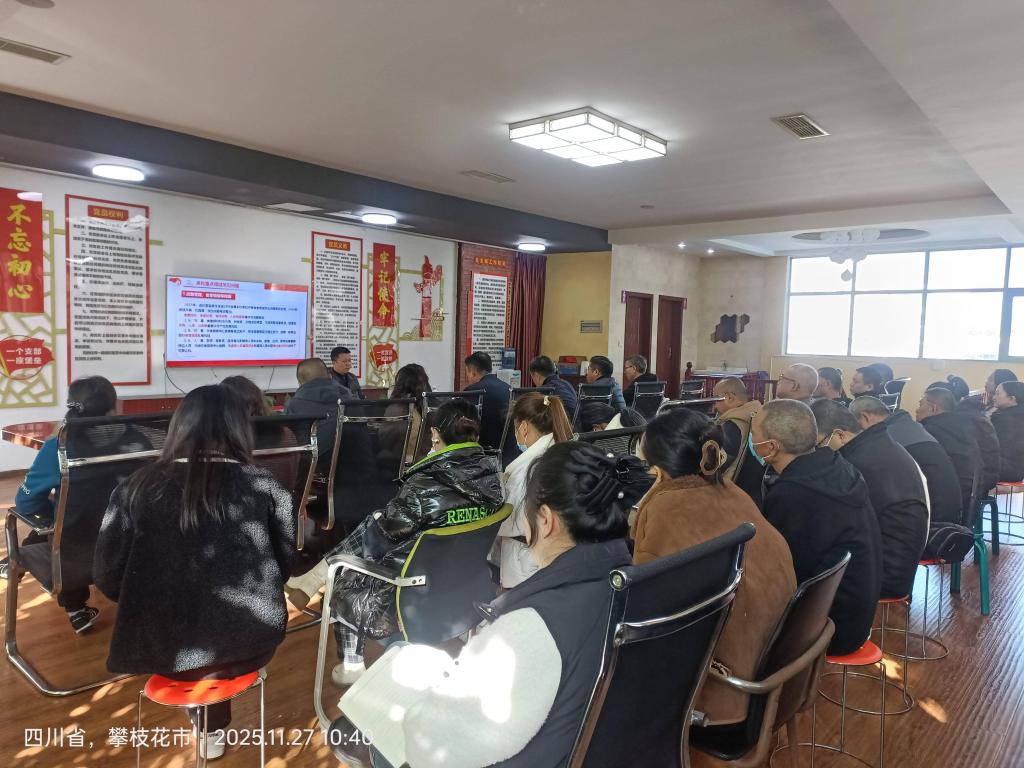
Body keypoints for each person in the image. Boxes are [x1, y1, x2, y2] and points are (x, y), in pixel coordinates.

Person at [336, 441, 651, 768]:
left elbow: (431, 750)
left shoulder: (530, 628)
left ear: (545, 520)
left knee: (359, 725)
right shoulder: (640, 588)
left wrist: (428, 703)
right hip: (587, 746)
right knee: (405, 651)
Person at [94, 385, 295, 761]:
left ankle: (207, 726)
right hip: (249, 645)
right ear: (241, 428)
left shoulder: (135, 489)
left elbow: (107, 577)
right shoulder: (266, 486)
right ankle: (213, 726)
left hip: (159, 646)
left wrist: (156, 593)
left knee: (196, 637)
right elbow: (282, 568)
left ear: (178, 427)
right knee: (214, 635)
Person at [306, 400, 504, 687]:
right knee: (377, 519)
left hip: (414, 592)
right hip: (465, 587)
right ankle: (315, 575)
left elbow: (381, 539)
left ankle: (351, 665)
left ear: (434, 434)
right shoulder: (493, 478)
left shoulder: (424, 483)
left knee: (345, 576)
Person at [634, 409, 794, 727]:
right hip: (776, 672)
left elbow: (642, 609)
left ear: (657, 470)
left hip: (723, 690)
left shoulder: (664, 508)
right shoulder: (733, 492)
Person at [9, 376, 151, 632]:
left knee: (62, 529)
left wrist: (53, 516)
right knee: (70, 525)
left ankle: (76, 610)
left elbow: (26, 502)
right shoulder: (141, 442)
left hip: (76, 557)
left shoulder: (58, 448)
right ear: (114, 407)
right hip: (131, 548)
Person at [751, 400, 882, 654]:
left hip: (828, 627)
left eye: (753, 432)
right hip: (857, 614)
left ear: (771, 447)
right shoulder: (836, 465)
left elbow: (781, 575)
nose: (750, 439)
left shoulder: (793, 494)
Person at [811, 399, 928, 600]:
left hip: (885, 574)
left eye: (818, 444)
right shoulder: (877, 444)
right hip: (900, 562)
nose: (817, 451)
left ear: (840, 434)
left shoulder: (857, 463)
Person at [494, 392, 574, 588]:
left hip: (528, 559)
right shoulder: (562, 450)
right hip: (560, 554)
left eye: (515, 428)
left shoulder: (528, 468)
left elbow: (508, 522)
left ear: (524, 427)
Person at [851, 396, 962, 531]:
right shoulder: (912, 428)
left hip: (931, 525)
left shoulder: (885, 439)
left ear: (865, 418)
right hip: (952, 518)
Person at [916, 387, 982, 515]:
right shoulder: (964, 428)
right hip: (971, 503)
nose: (916, 410)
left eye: (920, 404)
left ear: (933, 408)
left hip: (943, 508)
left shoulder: (929, 433)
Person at [929, 377, 1001, 493]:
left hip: (977, 481)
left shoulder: (956, 422)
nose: (917, 409)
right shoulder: (966, 415)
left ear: (936, 405)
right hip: (979, 478)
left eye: (922, 404)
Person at [284, 358, 353, 474]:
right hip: (355, 468)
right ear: (329, 376)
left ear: (300, 383)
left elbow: (287, 440)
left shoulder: (294, 405)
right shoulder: (350, 399)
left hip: (314, 470)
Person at [712, 377, 765, 504]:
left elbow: (715, 466)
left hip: (732, 497)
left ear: (729, 397)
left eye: (715, 399)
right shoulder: (758, 416)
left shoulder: (732, 426)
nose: (714, 405)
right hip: (755, 492)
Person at [386, 363, 433, 465]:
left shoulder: (396, 408)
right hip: (429, 461)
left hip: (401, 462)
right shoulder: (433, 406)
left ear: (400, 384)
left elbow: (385, 440)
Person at [462, 351, 510, 449]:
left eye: (467, 372)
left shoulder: (472, 391)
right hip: (510, 449)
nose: (467, 377)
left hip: (484, 451)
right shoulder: (508, 388)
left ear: (473, 371)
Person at [992, 381, 1024, 482]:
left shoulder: (1005, 420)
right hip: (1017, 471)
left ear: (1012, 399)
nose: (994, 397)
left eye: (998, 394)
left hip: (1003, 470)